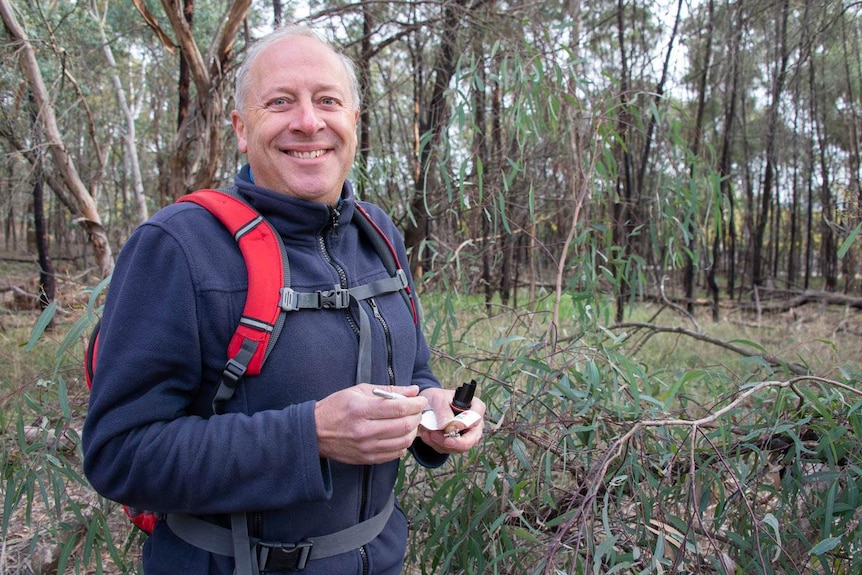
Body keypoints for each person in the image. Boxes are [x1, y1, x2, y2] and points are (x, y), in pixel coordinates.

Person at [82, 24, 484, 575]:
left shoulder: (379, 235)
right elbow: (119, 455)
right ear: (242, 130)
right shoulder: (178, 246)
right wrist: (310, 435)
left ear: (353, 123)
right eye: (280, 102)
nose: (308, 121)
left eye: (327, 101)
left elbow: (413, 371)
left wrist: (435, 414)